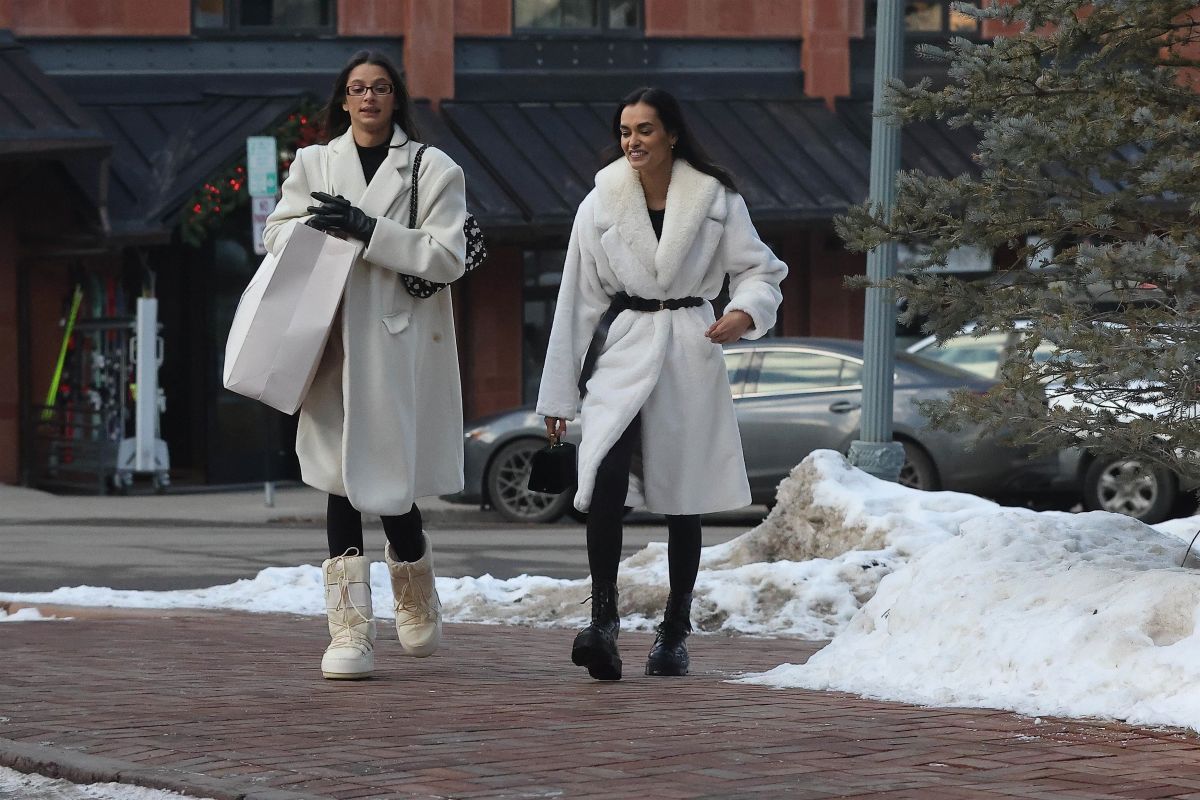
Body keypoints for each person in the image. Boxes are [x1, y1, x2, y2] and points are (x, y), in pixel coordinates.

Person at [537, 87, 787, 681]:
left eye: (644, 130)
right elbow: (575, 301)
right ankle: (602, 624)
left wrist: (745, 311)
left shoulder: (716, 198)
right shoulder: (600, 201)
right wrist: (559, 396)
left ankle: (674, 633)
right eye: (624, 131)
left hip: (688, 347)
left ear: (672, 133)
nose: (632, 141)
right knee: (601, 479)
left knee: (684, 501)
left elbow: (760, 269)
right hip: (624, 347)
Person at [262, 51, 468, 680]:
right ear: (343, 100)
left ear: (395, 98)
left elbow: (446, 256)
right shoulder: (315, 162)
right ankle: (348, 627)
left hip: (396, 344)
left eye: (380, 88)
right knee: (336, 478)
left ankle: (414, 580)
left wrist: (367, 228)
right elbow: (275, 234)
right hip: (327, 340)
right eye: (357, 89)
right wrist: (315, 234)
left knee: (389, 478)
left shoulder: (433, 168)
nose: (369, 98)